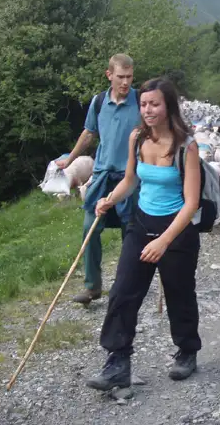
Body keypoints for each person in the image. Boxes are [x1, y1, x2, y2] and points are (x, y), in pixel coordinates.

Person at [86, 77, 202, 391]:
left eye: (154, 104)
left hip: (177, 230)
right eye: (144, 104)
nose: (147, 110)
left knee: (179, 293)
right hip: (141, 223)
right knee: (123, 291)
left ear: (168, 107)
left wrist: (164, 241)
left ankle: (187, 351)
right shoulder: (137, 137)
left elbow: (191, 203)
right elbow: (130, 180)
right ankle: (117, 362)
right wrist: (109, 200)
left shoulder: (186, 146)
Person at [56, 54, 141, 305]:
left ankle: (128, 285)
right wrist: (70, 160)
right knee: (89, 229)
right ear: (109, 75)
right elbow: (89, 133)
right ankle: (92, 287)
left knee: (131, 232)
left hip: (131, 176)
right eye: (120, 77)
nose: (125, 82)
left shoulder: (141, 101)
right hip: (103, 175)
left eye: (129, 77)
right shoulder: (99, 101)